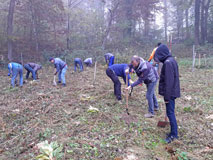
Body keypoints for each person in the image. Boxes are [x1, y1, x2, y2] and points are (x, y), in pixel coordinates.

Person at [154, 44, 180, 143]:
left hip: (170, 93)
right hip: (172, 92)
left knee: (170, 113)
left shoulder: (168, 63)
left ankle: (174, 135)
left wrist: (167, 96)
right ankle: (173, 132)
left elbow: (169, 81)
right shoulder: (171, 60)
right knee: (170, 112)